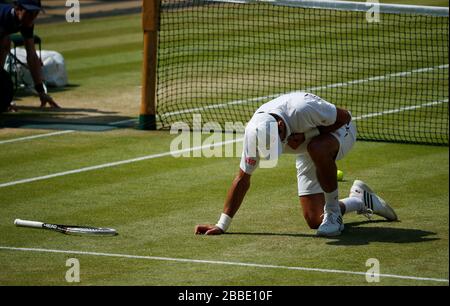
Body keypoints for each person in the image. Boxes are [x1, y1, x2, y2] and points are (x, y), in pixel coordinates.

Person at [195, 91, 397, 237]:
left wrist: (308, 134)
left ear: (281, 125)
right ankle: (360, 200)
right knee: (315, 220)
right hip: (307, 147)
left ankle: (334, 214)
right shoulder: (254, 133)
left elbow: (345, 117)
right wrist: (222, 224)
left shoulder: (303, 108)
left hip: (338, 133)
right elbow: (242, 179)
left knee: (316, 148)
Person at [0, 0, 59, 109]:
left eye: (36, 13)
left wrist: (41, 91)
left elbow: (31, 55)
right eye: (29, 13)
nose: (32, 17)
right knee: (4, 42)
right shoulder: (2, 18)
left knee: (5, 42)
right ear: (18, 9)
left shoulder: (26, 22)